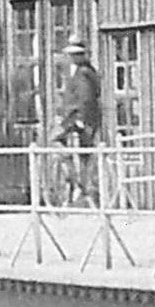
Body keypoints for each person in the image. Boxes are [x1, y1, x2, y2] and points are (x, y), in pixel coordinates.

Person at [51, 39, 102, 204]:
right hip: (74, 117)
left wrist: (80, 119)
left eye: (76, 55)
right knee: (81, 153)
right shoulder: (79, 72)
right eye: (71, 55)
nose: (73, 58)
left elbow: (86, 99)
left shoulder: (84, 73)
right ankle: (74, 180)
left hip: (80, 119)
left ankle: (78, 184)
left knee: (58, 140)